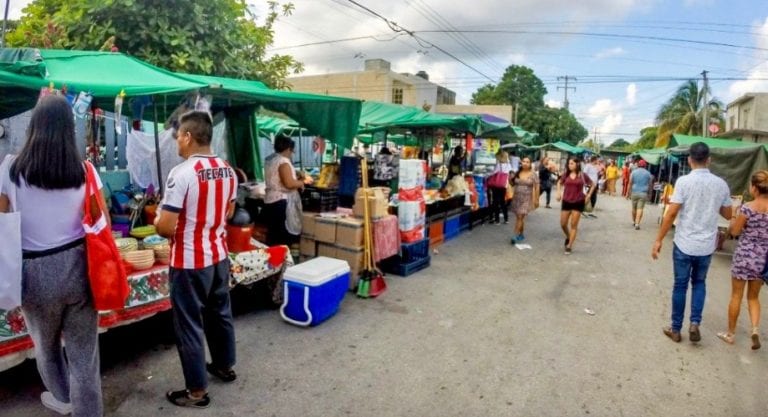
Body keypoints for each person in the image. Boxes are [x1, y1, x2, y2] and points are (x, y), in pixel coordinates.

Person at [0, 95, 105, 416]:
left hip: (33, 271)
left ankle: (62, 398)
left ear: (33, 126)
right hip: (78, 266)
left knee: (45, 346)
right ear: (68, 129)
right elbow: (99, 214)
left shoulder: (10, 168)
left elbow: (2, 221)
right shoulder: (84, 169)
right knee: (84, 353)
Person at [154, 111, 239, 408]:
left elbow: (165, 227)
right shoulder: (228, 170)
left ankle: (196, 392)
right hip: (218, 255)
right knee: (220, 313)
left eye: (178, 136)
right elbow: (228, 212)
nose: (177, 141)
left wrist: (157, 221)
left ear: (188, 136)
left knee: (188, 324)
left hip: (189, 261)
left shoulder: (182, 173)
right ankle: (224, 366)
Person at [652, 142, 732, 343]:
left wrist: (658, 239)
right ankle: (695, 322)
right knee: (699, 283)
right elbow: (729, 213)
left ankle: (676, 329)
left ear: (689, 159)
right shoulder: (720, 184)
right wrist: (713, 204)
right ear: (709, 160)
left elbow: (671, 213)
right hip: (706, 246)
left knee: (680, 285)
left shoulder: (683, 182)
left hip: (684, 243)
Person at [716, 171, 768, 348]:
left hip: (745, 256)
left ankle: (730, 334)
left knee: (736, 295)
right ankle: (754, 329)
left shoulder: (748, 208)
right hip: (763, 258)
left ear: (754, 188)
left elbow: (735, 232)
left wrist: (733, 219)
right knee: (754, 298)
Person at [262, 135, 305, 246]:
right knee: (281, 237)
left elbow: (278, 177)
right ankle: (281, 259)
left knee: (272, 235)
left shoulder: (270, 159)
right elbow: (289, 184)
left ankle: (272, 259)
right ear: (288, 148)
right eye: (292, 150)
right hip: (280, 203)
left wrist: (296, 174)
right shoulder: (283, 162)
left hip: (269, 200)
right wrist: (302, 182)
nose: (292, 153)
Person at [556, 157, 595, 255]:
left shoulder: (583, 175)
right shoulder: (566, 175)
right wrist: (559, 192)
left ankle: (569, 245)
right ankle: (568, 236)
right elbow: (559, 182)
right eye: (569, 163)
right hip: (566, 201)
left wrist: (588, 195)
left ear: (577, 164)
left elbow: (592, 184)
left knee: (573, 225)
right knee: (563, 224)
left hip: (578, 202)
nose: (570, 165)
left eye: (572, 163)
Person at [510, 157, 539, 242]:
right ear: (521, 163)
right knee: (519, 218)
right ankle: (521, 234)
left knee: (520, 216)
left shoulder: (533, 174)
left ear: (530, 164)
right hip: (516, 198)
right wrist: (510, 178)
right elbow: (512, 184)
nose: (525, 163)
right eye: (524, 161)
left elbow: (537, 187)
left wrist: (536, 199)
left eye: (527, 162)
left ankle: (515, 235)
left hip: (526, 199)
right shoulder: (517, 172)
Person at [627, 159, 653, 230]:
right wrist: (650, 194)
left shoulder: (633, 172)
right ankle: (637, 223)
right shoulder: (648, 173)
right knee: (640, 208)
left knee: (634, 208)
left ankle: (634, 221)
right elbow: (650, 185)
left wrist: (627, 193)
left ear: (638, 165)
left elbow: (630, 183)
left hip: (634, 192)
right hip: (643, 193)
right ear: (645, 166)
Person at [489, 150, 512, 225]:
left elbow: (493, 172)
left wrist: (488, 174)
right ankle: (506, 219)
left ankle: (497, 220)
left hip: (496, 185)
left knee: (495, 202)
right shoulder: (508, 165)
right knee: (503, 202)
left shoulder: (499, 165)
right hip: (504, 185)